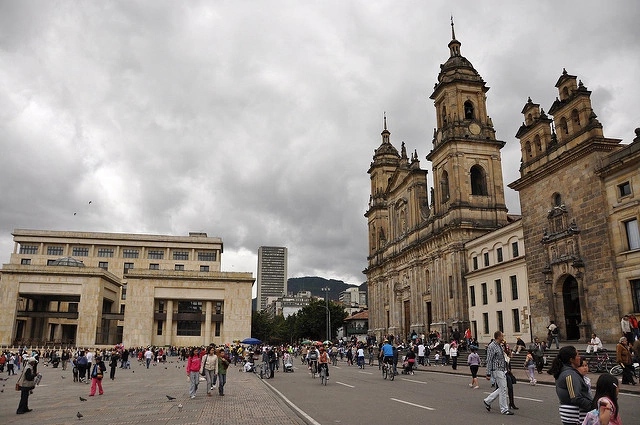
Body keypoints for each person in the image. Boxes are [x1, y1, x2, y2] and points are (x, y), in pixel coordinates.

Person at [547, 346, 592, 425]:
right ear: (571, 359)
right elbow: (575, 397)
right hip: (575, 416)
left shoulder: (564, 371)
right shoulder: (570, 374)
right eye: (578, 355)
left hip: (571, 415)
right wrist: (594, 406)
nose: (579, 357)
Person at [483, 331, 514, 415]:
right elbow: (489, 360)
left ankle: (487, 401)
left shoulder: (499, 345)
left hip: (502, 369)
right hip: (496, 369)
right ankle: (504, 409)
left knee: (502, 388)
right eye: (502, 336)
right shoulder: (492, 346)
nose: (503, 337)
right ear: (498, 337)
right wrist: (488, 373)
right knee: (503, 389)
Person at [504, 346, 518, 411]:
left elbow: (509, 366)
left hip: (508, 374)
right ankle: (488, 400)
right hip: (503, 374)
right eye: (509, 351)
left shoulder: (508, 358)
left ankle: (511, 403)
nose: (510, 352)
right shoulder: (504, 358)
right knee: (498, 390)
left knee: (510, 388)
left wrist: (510, 371)